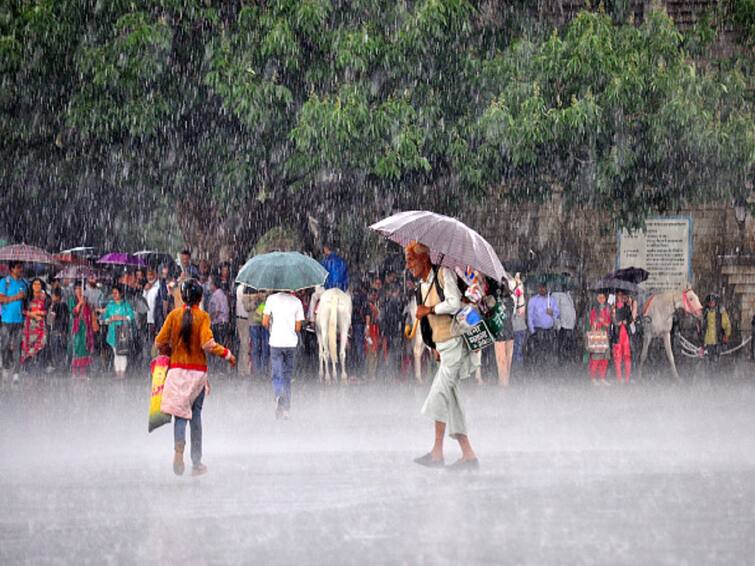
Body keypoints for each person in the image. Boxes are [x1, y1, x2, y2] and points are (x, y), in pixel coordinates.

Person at [406, 241, 479, 471]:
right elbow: (429, 325)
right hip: (443, 346)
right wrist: (433, 345)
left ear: (424, 259)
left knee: (438, 394)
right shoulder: (422, 286)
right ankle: (467, 455)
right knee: (452, 401)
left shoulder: (443, 274)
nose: (408, 265)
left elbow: (454, 303)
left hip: (455, 342)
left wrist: (429, 309)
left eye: (411, 260)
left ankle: (438, 453)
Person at [155, 279, 236, 476]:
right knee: (196, 416)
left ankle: (178, 448)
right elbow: (207, 344)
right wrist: (227, 354)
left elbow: (159, 341)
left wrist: (169, 350)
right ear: (200, 298)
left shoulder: (174, 315)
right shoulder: (203, 317)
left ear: (182, 297)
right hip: (197, 373)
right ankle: (197, 463)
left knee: (180, 414)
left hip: (176, 371)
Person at [262, 289, 305, 419]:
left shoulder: (271, 299)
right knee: (287, 376)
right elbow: (298, 328)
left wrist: (272, 325)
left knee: (276, 374)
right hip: (291, 343)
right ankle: (286, 410)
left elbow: (264, 322)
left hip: (276, 342)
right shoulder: (297, 302)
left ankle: (278, 394)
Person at [0, 261, 28, 382]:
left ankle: (16, 372)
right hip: (6, 320)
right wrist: (16, 297)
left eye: (21, 267)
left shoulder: (24, 283)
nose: (20, 269)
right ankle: (6, 366)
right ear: (12, 269)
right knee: (5, 346)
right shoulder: (4, 282)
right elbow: (1, 299)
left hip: (19, 321)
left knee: (17, 347)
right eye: (18, 267)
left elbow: (25, 300)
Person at [527, 283, 560, 370]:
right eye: (540, 287)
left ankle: (547, 369)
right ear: (538, 288)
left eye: (544, 288)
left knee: (548, 350)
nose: (542, 289)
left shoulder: (552, 300)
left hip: (549, 331)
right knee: (538, 351)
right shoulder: (533, 300)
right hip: (538, 330)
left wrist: (552, 312)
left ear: (546, 288)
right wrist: (532, 331)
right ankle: (538, 368)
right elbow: (529, 316)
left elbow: (558, 313)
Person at [103, 285, 135, 378]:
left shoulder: (125, 305)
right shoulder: (110, 305)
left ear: (120, 293)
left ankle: (123, 373)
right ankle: (118, 373)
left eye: (116, 293)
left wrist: (121, 317)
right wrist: (111, 319)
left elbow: (131, 316)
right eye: (113, 293)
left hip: (123, 332)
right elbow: (105, 319)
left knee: (123, 353)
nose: (114, 295)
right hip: (113, 332)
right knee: (116, 353)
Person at [488, 277, 515, 387]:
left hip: (502, 332)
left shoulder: (494, 300)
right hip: (507, 331)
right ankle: (505, 383)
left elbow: (489, 312)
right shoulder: (510, 299)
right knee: (505, 361)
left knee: (503, 361)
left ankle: (504, 384)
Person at [20, 278, 50, 371]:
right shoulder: (28, 298)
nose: (37, 286)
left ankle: (37, 365)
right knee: (27, 346)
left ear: (42, 286)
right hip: (29, 325)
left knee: (42, 342)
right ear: (31, 286)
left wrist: (38, 313)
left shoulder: (45, 298)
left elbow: (46, 311)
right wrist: (33, 314)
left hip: (40, 325)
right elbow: (23, 311)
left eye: (39, 284)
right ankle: (27, 366)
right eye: (35, 284)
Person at [68, 282, 95, 377]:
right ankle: (75, 371)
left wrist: (86, 304)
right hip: (76, 327)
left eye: (80, 288)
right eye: (77, 288)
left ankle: (84, 372)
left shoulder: (86, 300)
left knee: (85, 348)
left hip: (85, 327)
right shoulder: (72, 299)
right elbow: (73, 312)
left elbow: (89, 312)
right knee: (77, 347)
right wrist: (80, 303)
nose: (78, 290)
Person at [611, 290, 636, 384]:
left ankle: (627, 378)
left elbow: (631, 319)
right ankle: (619, 378)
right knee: (617, 357)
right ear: (616, 296)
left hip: (626, 335)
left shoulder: (627, 307)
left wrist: (627, 321)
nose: (620, 297)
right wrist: (616, 321)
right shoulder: (614, 308)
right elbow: (613, 321)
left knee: (627, 356)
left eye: (622, 295)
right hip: (618, 335)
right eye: (619, 295)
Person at [699, 293, 731, 365]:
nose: (711, 303)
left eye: (712, 302)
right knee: (708, 361)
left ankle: (716, 373)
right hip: (708, 341)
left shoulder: (720, 312)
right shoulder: (705, 312)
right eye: (709, 302)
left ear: (715, 302)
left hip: (718, 340)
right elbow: (702, 326)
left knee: (716, 360)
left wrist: (726, 335)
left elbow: (727, 324)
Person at [207, 276, 230, 372]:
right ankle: (222, 368)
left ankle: (219, 369)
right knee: (222, 346)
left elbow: (216, 311)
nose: (208, 285)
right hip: (224, 324)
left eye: (210, 283)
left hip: (219, 324)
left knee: (218, 347)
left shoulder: (216, 295)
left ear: (213, 284)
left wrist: (208, 319)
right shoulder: (221, 293)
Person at [588, 292, 612, 385]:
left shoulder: (608, 309)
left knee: (605, 359)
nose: (602, 299)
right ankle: (593, 377)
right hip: (597, 335)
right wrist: (598, 321)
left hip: (605, 335)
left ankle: (602, 377)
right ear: (597, 299)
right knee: (596, 358)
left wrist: (603, 321)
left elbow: (608, 323)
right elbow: (592, 324)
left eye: (603, 297)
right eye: (600, 297)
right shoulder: (594, 310)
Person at [552, 284, 577, 366]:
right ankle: (561, 361)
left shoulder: (568, 295)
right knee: (561, 343)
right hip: (562, 325)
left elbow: (571, 309)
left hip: (570, 324)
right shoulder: (556, 295)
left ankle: (567, 359)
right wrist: (557, 323)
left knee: (567, 343)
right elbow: (555, 310)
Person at [47, 287, 69, 372]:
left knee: (55, 351)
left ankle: (57, 368)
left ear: (55, 296)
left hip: (56, 331)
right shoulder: (65, 305)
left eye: (52, 295)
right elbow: (67, 319)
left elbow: (50, 320)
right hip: (63, 332)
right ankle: (63, 368)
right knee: (63, 351)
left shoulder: (55, 305)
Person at [511, 273, 527, 368]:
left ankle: (517, 371)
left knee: (517, 351)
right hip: (516, 327)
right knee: (517, 351)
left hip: (518, 327)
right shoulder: (517, 295)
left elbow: (521, 311)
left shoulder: (518, 295)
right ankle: (517, 370)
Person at [235, 283, 252, 376]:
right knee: (245, 344)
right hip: (244, 318)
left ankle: (242, 368)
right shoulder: (243, 289)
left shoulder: (241, 288)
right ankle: (244, 369)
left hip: (242, 318)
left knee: (244, 345)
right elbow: (247, 305)